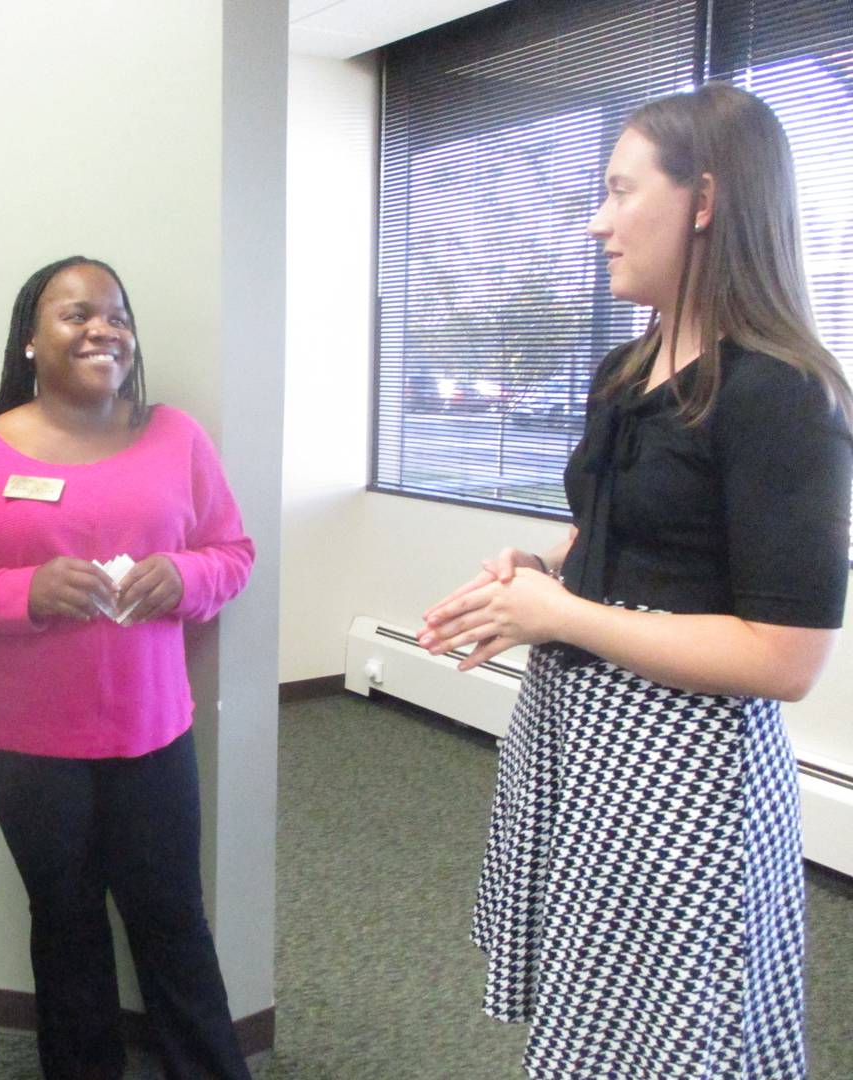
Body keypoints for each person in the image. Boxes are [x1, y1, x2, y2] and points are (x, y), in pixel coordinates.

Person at [419, 83, 852, 1078]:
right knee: (598, 1018)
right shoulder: (627, 369)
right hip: (586, 734)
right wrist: (542, 572)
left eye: (620, 192)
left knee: (683, 1034)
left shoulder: (782, 393)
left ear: (703, 201)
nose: (598, 221)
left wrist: (561, 613)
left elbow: (784, 657)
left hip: (688, 764)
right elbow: (630, 534)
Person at [0, 256, 255, 1080]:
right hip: (22, 739)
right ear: (29, 340)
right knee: (64, 918)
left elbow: (232, 553)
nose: (105, 329)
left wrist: (187, 576)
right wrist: (27, 592)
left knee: (171, 917)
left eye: (118, 315)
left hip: (150, 726)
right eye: (77, 314)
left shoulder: (177, 436)